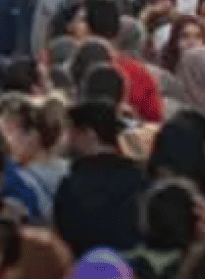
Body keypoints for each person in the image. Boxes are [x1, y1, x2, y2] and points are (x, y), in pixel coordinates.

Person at [53, 100, 148, 256]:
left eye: (73, 130)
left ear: (90, 134)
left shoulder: (72, 184)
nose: (69, 137)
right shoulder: (140, 177)